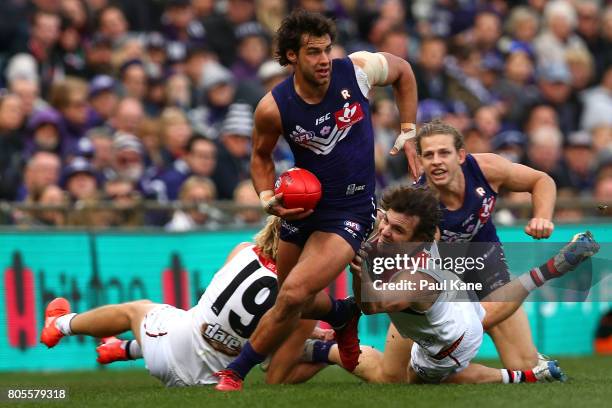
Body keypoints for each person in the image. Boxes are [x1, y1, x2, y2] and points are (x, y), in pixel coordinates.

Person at [214, 9, 419, 391]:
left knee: (292, 294)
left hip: (352, 210)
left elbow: (404, 72)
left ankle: (233, 373)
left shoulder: (357, 71)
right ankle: (342, 315)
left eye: (326, 50)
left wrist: (408, 131)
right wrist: (265, 198)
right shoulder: (273, 107)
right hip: (303, 208)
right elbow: (259, 157)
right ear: (291, 55)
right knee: (288, 301)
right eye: (312, 52)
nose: (323, 59)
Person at [305, 186, 598, 384]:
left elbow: (373, 305)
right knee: (485, 313)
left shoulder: (416, 280)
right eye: (386, 222)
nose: (385, 232)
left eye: (397, 229)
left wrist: (359, 272)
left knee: (402, 379)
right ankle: (548, 270)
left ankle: (521, 376)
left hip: (448, 345)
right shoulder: (415, 234)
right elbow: (391, 217)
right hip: (458, 306)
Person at [40, 216, 327, 387]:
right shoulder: (305, 299)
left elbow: (217, 313)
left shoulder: (243, 250)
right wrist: (320, 346)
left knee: (136, 309)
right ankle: (124, 348)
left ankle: (61, 324)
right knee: (189, 322)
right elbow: (272, 364)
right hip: (215, 380)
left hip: (173, 355)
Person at [414, 120, 557, 371]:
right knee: (392, 375)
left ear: (460, 155)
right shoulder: (419, 205)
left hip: (484, 257)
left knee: (525, 364)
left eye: (444, 153)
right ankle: (328, 351)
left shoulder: (487, 168)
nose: (436, 161)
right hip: (442, 275)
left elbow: (542, 180)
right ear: (420, 162)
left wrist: (542, 216)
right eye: (429, 155)